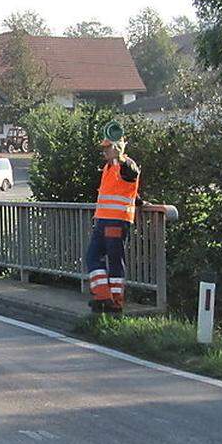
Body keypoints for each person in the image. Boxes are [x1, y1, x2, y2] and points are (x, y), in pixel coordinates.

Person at [86, 132, 141, 313]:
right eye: (104, 148)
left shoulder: (126, 165)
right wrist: (139, 201)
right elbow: (126, 190)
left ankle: (114, 302)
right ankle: (104, 297)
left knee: (115, 260)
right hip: (103, 220)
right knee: (93, 257)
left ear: (117, 148)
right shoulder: (109, 168)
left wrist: (120, 157)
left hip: (116, 222)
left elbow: (131, 174)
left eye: (107, 148)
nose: (104, 151)